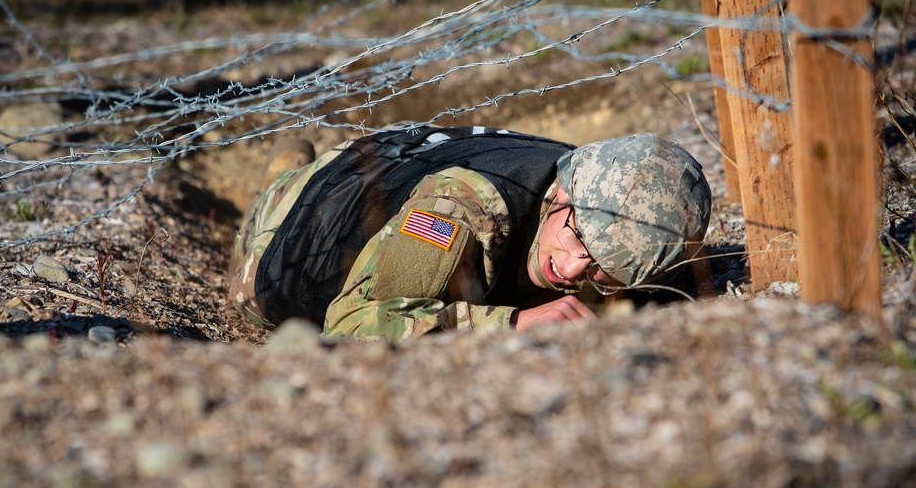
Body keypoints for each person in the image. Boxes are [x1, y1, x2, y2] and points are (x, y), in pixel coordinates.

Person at [228, 124, 711, 340]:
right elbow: (354, 322)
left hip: (393, 162)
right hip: (299, 230)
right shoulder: (463, 208)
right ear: (561, 193)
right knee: (254, 275)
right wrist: (511, 324)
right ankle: (283, 175)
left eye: (605, 269)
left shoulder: (598, 177)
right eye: (580, 238)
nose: (570, 271)